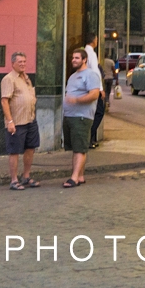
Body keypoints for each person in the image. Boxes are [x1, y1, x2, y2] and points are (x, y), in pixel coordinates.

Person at [60, 50, 101, 188]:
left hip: (82, 117)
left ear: (84, 59)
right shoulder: (72, 76)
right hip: (70, 116)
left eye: (77, 58)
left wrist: (76, 100)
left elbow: (95, 94)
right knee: (75, 147)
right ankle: (80, 176)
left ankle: (74, 178)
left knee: (80, 149)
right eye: (73, 57)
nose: (74, 60)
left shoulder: (91, 74)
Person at [0, 52, 39, 190]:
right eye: (19, 62)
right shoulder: (9, 79)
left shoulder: (26, 78)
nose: (22, 64)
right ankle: (14, 180)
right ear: (13, 63)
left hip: (30, 119)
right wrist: (10, 121)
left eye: (24, 61)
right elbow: (4, 101)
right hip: (16, 122)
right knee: (14, 151)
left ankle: (26, 177)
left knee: (30, 148)